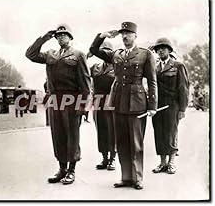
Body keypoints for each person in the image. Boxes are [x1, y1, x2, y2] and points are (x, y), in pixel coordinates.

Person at [90, 22, 157, 190]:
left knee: (136, 143)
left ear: (135, 35)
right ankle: (126, 177)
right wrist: (102, 35)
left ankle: (138, 178)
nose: (125, 36)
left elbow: (152, 81)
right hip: (118, 102)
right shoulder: (116, 55)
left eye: (128, 33)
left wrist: (152, 106)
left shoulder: (145, 54)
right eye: (122, 34)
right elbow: (93, 50)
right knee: (121, 142)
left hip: (137, 103)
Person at [26, 24, 91, 185]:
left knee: (72, 136)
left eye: (64, 35)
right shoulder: (51, 54)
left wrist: (83, 106)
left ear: (70, 38)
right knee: (58, 135)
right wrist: (44, 38)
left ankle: (72, 170)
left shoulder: (78, 55)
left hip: (72, 100)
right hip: (55, 100)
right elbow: (30, 54)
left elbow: (86, 83)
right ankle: (62, 169)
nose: (61, 37)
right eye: (58, 35)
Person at [151, 38, 189, 174]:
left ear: (169, 50)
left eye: (163, 48)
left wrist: (182, 109)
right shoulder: (154, 67)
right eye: (158, 49)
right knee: (159, 133)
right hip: (157, 105)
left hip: (172, 105)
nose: (160, 50)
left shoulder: (178, 66)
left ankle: (171, 162)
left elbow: (183, 88)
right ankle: (162, 163)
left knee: (171, 133)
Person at [88, 41, 117, 171]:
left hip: (112, 102)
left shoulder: (117, 67)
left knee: (112, 130)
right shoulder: (95, 67)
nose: (104, 54)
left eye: (107, 51)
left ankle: (112, 158)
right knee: (101, 130)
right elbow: (85, 78)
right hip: (98, 102)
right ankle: (104, 157)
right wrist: (87, 56)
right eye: (102, 51)